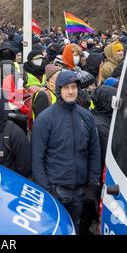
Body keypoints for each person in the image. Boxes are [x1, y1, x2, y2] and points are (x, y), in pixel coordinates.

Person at [31, 71, 101, 234]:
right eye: (67, 87)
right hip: (56, 190)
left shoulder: (86, 117)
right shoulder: (45, 119)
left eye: (74, 87)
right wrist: (48, 191)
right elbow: (37, 159)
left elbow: (94, 153)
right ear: (58, 89)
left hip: (80, 191)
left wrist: (92, 185)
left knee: (74, 229)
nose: (71, 91)